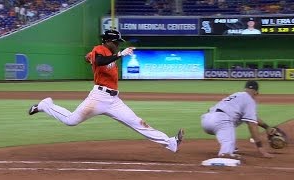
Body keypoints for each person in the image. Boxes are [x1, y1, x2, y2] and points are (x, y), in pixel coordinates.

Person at [28, 29, 184, 153]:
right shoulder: (100, 49)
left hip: (114, 100)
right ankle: (45, 105)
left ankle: (170, 143)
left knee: (137, 122)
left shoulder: (105, 53)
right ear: (108, 41)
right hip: (98, 98)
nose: (118, 45)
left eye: (119, 43)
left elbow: (89, 58)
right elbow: (100, 61)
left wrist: (90, 57)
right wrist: (118, 55)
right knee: (71, 121)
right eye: (116, 42)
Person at [201, 80, 275, 159]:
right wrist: (261, 149)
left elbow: (253, 118)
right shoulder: (249, 100)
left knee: (227, 129)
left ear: (245, 89)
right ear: (256, 93)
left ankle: (231, 147)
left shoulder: (237, 95)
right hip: (221, 121)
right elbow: (252, 125)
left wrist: (267, 127)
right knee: (227, 144)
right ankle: (226, 152)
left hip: (206, 120)